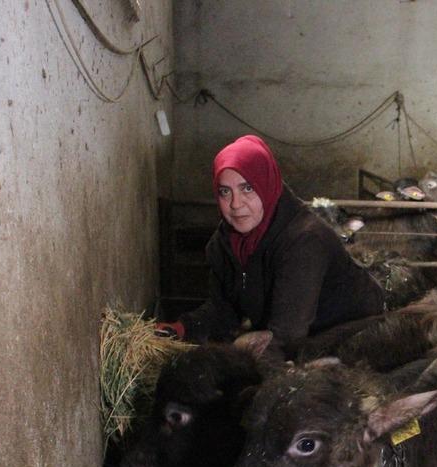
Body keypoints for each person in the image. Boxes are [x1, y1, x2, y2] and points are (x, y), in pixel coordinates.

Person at [156, 135, 384, 352]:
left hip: (356, 336)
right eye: (225, 192)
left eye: (247, 188)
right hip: (295, 338)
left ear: (266, 185)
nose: (236, 204)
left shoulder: (304, 240)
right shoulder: (224, 245)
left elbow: (288, 335)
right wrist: (183, 328)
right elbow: (224, 310)